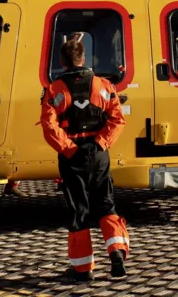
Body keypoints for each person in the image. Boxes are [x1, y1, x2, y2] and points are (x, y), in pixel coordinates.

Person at [39, 33, 129, 282]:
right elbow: (118, 120)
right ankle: (117, 253)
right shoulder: (104, 86)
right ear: (83, 58)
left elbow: (49, 126)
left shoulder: (54, 90)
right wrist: (100, 142)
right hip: (99, 154)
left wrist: (69, 149)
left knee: (79, 210)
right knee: (106, 204)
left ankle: (82, 269)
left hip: (72, 156)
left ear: (62, 61)